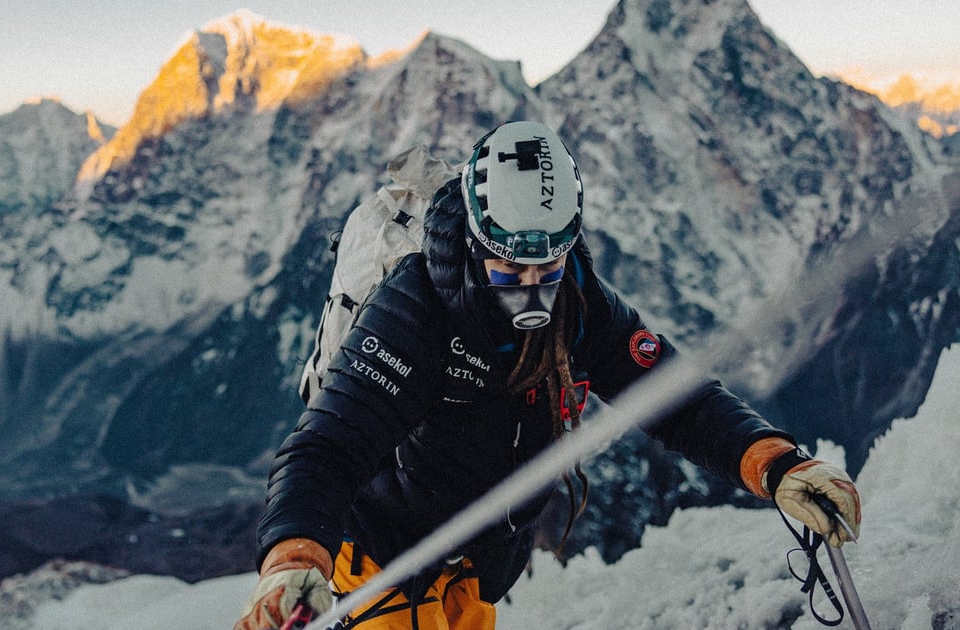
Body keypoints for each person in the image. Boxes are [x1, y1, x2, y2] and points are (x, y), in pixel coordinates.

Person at [234, 121, 861, 630]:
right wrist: (294, 556)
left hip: (472, 570)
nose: (532, 288)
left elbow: (676, 398)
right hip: (375, 562)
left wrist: (775, 463)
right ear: (479, 245)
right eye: (511, 269)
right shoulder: (414, 310)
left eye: (547, 264)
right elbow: (326, 447)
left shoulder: (578, 302)